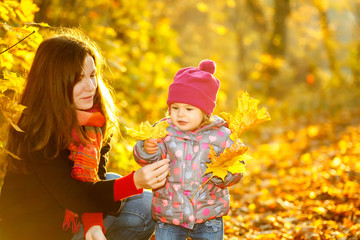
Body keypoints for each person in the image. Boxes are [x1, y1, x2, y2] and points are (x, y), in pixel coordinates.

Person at [0, 28, 170, 240]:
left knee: (145, 204)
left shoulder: (93, 121)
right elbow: (74, 194)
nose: (90, 86)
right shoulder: (36, 130)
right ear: (54, 82)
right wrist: (134, 181)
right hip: (36, 230)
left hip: (72, 218)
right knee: (122, 185)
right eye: (79, 79)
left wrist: (93, 224)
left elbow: (93, 179)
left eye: (92, 75)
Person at [133, 60, 244, 240]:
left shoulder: (222, 136)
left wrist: (223, 175)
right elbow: (147, 161)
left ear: (205, 111)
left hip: (208, 215)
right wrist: (147, 149)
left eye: (189, 109)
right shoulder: (163, 131)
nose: (180, 114)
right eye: (175, 108)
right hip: (169, 214)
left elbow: (237, 168)